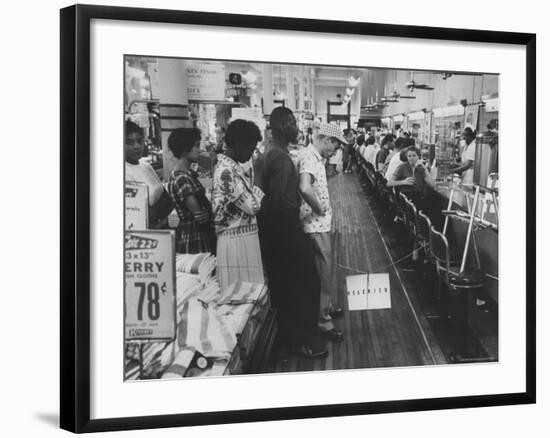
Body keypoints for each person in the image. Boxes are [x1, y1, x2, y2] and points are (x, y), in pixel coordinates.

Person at [258, 107, 327, 359]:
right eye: (293, 123)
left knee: (288, 286)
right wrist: (290, 237)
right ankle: (300, 340)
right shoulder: (281, 159)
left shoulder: (271, 154)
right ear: (282, 126)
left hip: (276, 232)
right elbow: (278, 202)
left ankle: (292, 336)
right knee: (304, 284)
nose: (297, 128)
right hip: (285, 231)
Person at [299, 124, 346, 343]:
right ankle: (323, 322)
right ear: (326, 139)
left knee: (325, 271)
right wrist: (318, 208)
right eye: (335, 145)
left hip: (320, 225)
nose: (336, 151)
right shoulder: (309, 157)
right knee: (324, 273)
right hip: (315, 226)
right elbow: (305, 188)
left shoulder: (316, 158)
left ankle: (325, 308)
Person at [211, 119, 265, 291]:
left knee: (247, 292)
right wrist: (259, 182)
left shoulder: (234, 168)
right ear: (237, 144)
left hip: (243, 237)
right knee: (238, 293)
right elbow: (252, 206)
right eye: (250, 148)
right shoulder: (226, 171)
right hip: (235, 242)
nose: (251, 153)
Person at [167, 128, 216, 254]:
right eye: (196, 145)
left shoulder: (186, 174)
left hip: (194, 234)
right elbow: (200, 216)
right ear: (184, 148)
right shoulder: (182, 178)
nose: (199, 150)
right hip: (195, 237)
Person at [124, 120, 173, 228]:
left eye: (139, 141)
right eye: (129, 142)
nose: (136, 146)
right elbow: (141, 213)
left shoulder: (145, 165)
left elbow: (167, 198)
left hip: (162, 227)